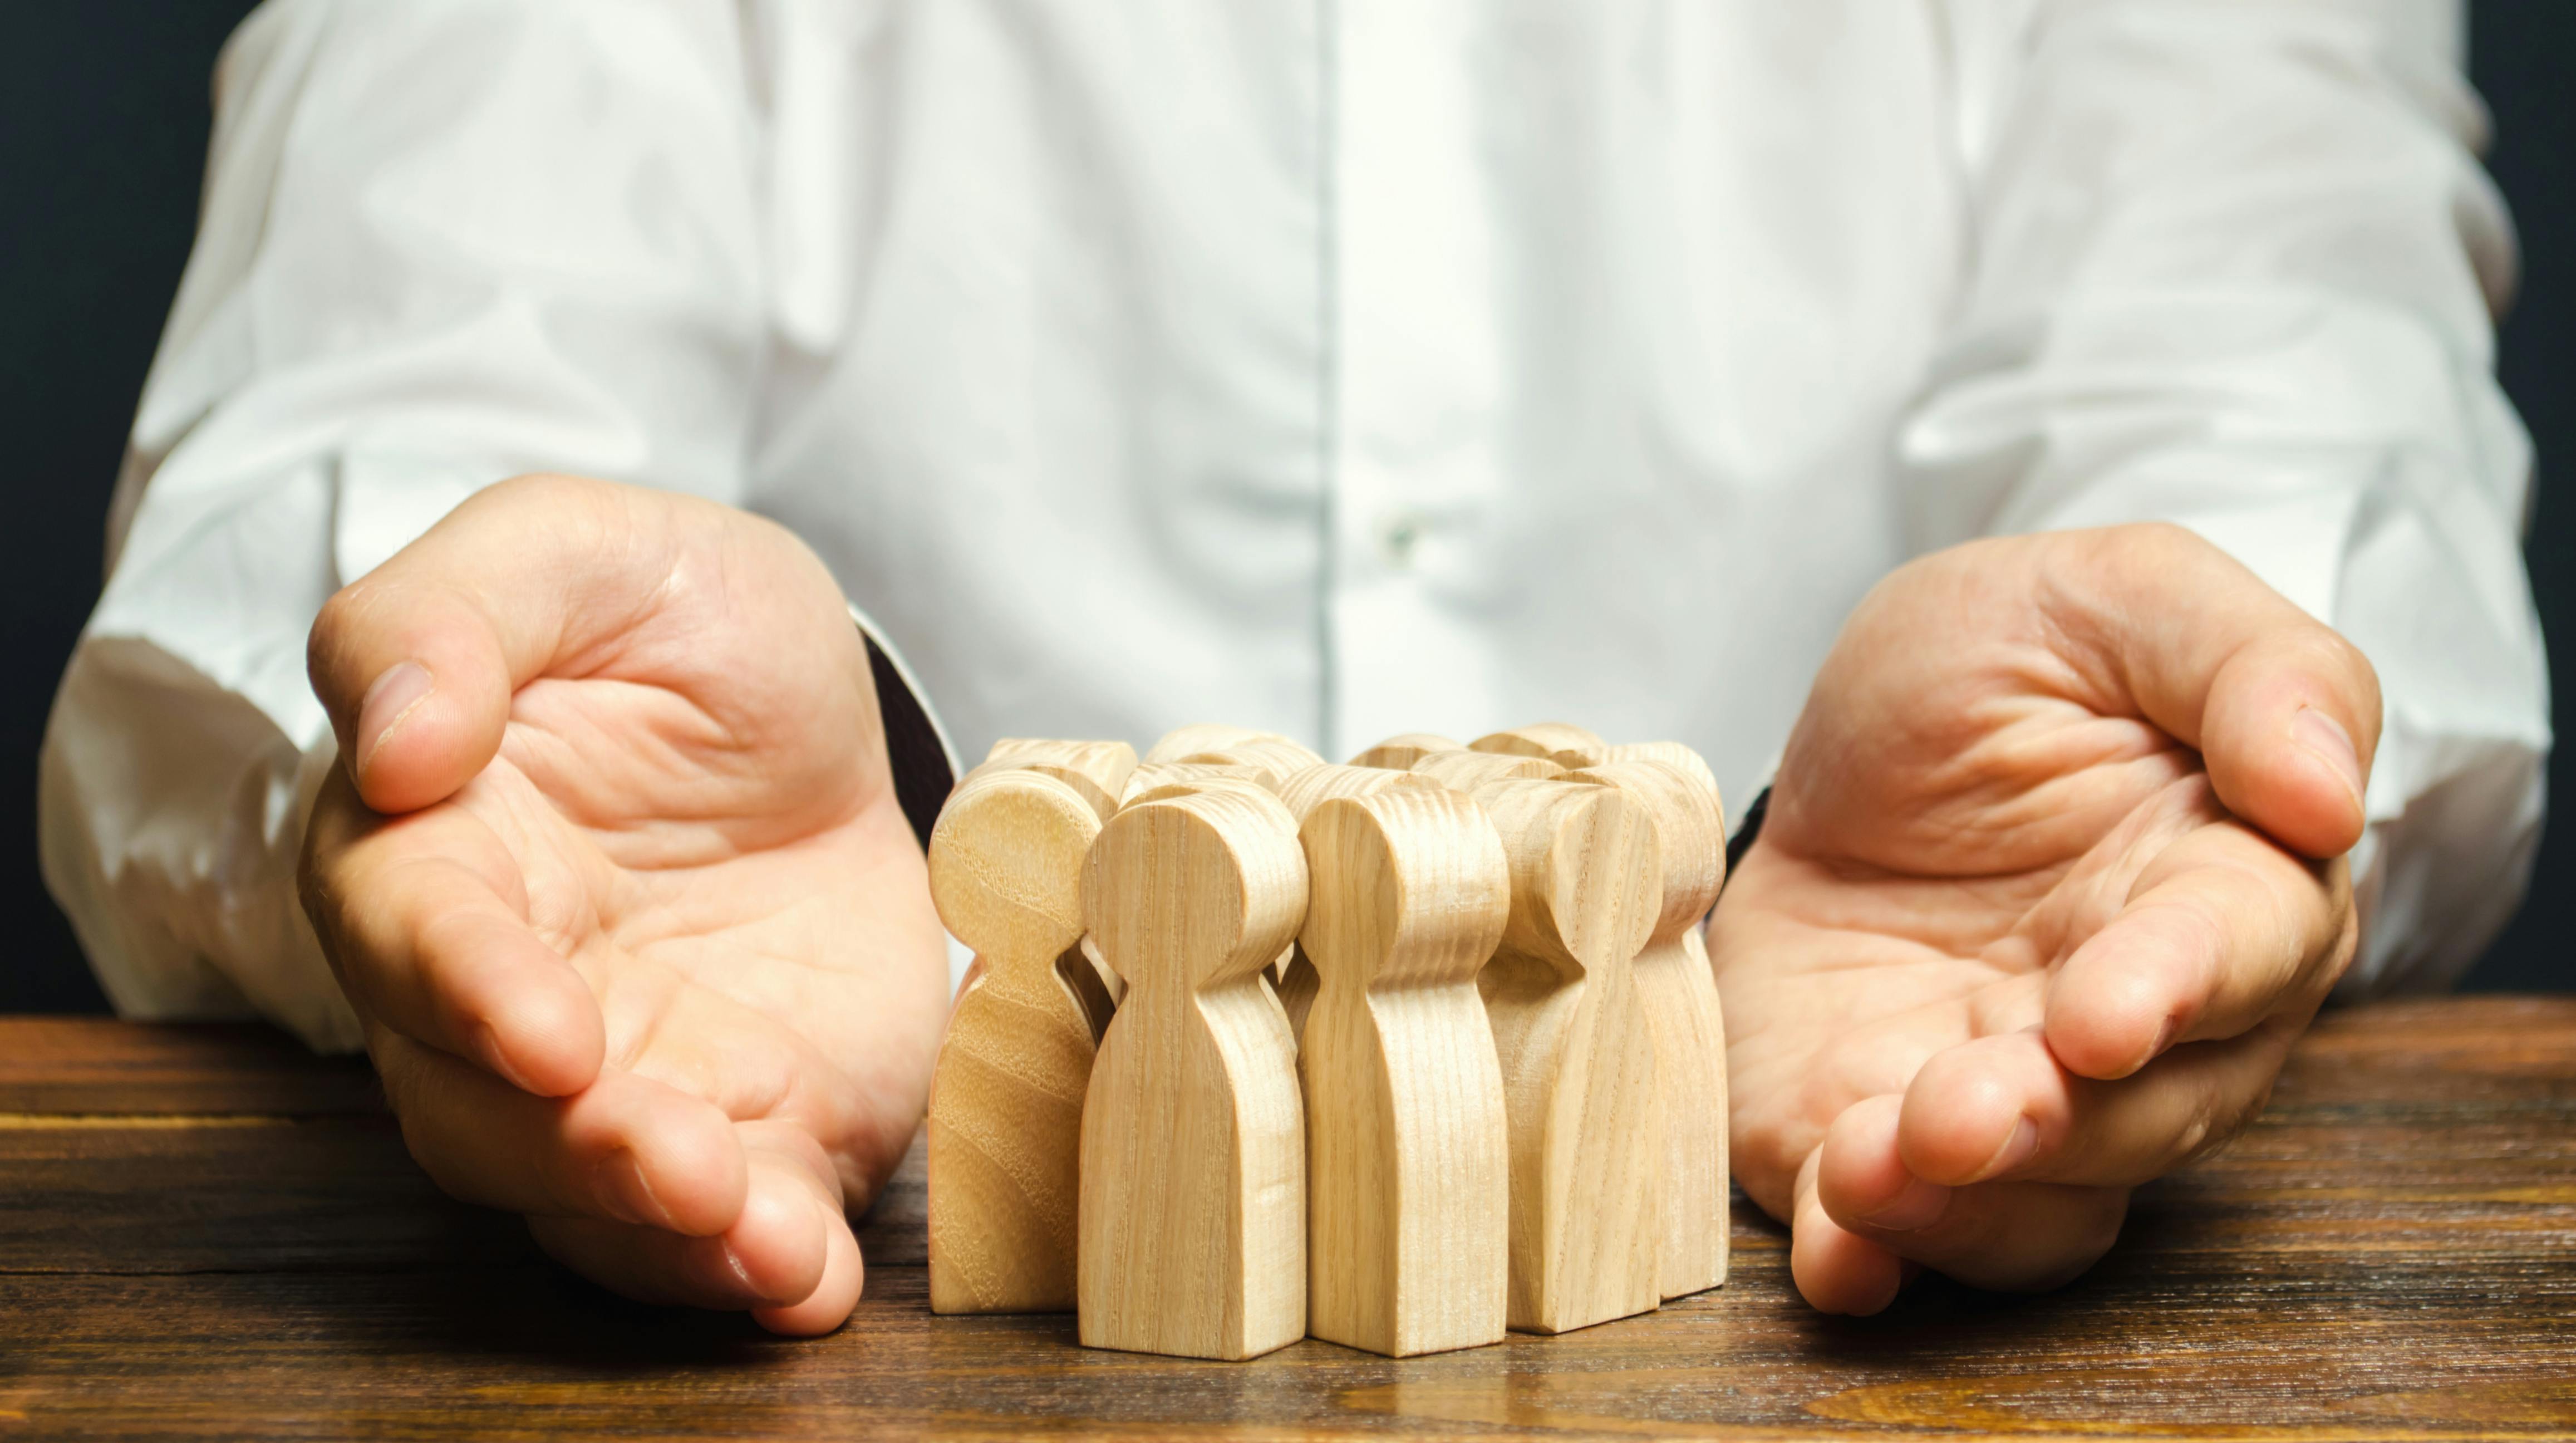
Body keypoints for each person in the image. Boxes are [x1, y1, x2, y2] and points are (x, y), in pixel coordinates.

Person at [39, 1, 2545, 1334]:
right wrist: (460, 768)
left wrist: (2174, 728)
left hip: (1793, 1140)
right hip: (891, 1161)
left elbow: (2270, 358)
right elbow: (386, 427)